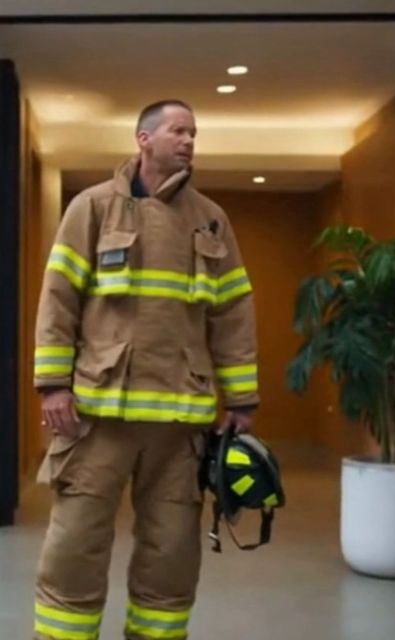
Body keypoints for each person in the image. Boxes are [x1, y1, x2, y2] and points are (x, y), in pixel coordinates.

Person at [32, 99, 259, 640]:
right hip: (97, 417)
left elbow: (233, 311)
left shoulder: (210, 219)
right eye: (178, 131)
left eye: (193, 133)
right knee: (75, 546)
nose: (189, 141)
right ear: (143, 138)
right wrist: (53, 387)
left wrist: (241, 400)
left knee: (171, 553)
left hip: (179, 423)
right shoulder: (92, 207)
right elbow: (59, 298)